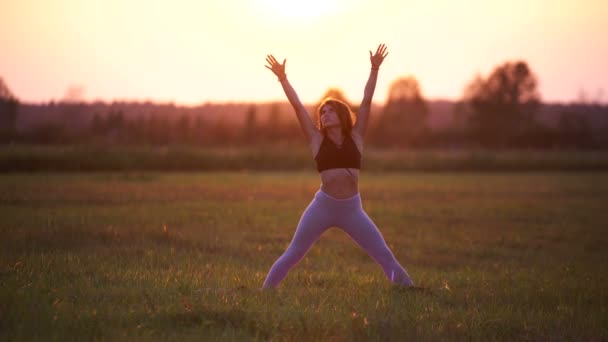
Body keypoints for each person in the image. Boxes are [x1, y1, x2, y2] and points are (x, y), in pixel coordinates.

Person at [262, 44, 414, 289]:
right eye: (323, 112)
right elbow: (298, 107)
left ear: (342, 116)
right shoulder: (316, 140)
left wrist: (374, 69)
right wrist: (283, 78)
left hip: (352, 209)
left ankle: (409, 289)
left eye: (331, 111)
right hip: (322, 207)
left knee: (383, 254)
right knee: (293, 253)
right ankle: (264, 292)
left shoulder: (356, 138)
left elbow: (366, 102)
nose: (325, 115)